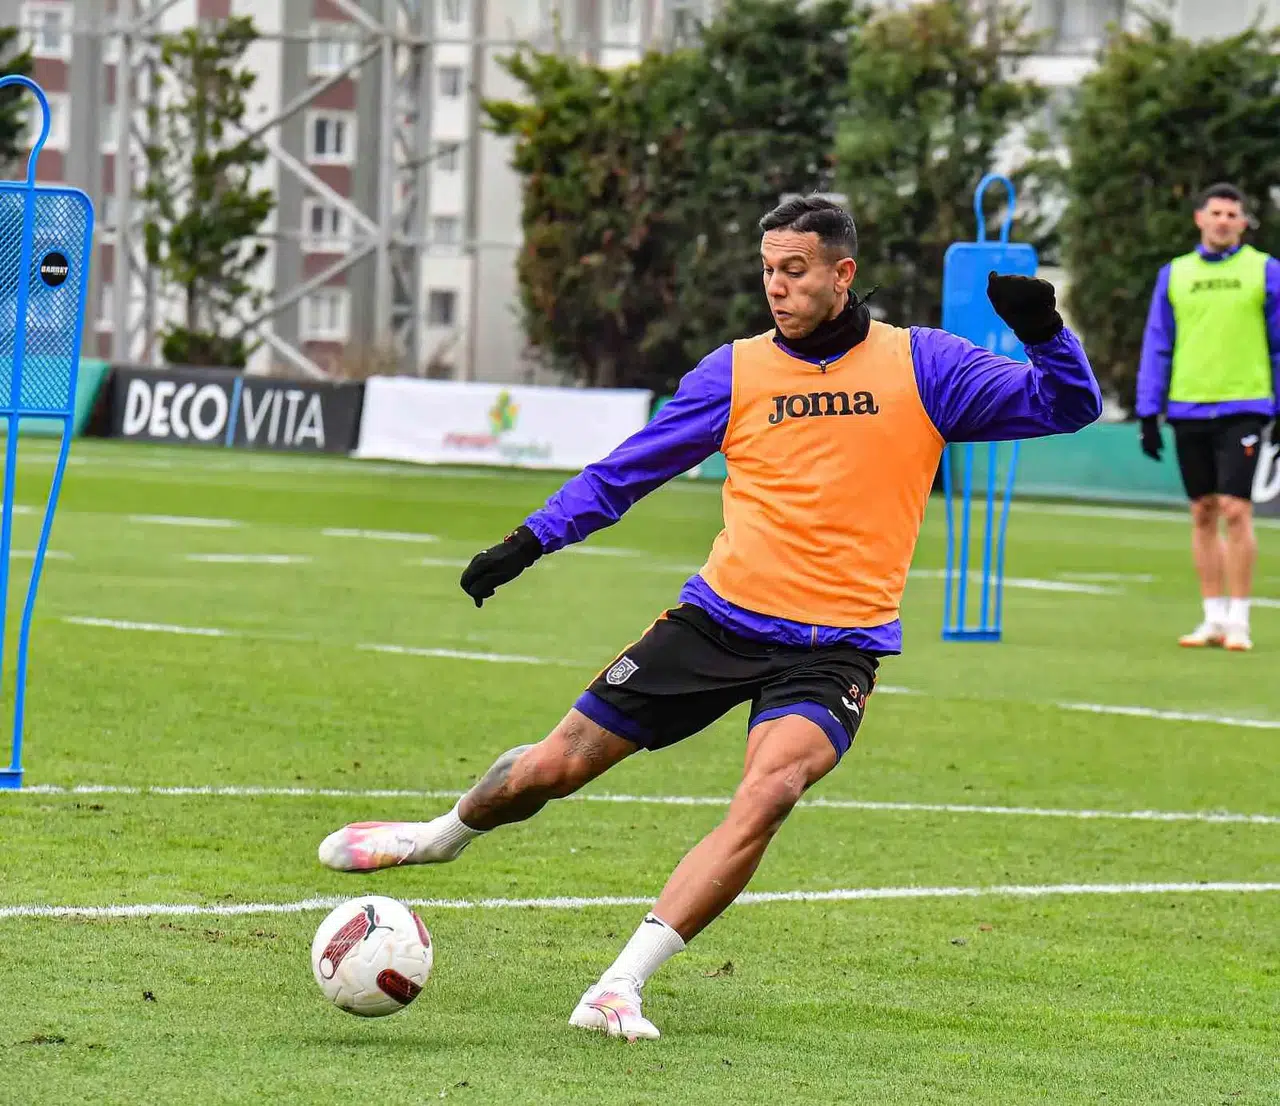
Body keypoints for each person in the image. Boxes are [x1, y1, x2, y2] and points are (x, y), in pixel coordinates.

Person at [317, 195, 1102, 1041]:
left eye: (794, 270)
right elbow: (626, 472)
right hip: (717, 622)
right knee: (554, 767)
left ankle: (618, 986)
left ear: (844, 274)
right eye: (767, 270)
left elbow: (1067, 405)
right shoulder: (735, 372)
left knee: (770, 793)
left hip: (835, 649)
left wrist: (1045, 334)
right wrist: (530, 540)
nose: (776, 286)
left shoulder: (925, 365)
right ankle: (442, 835)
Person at [1136, 182, 1280, 652]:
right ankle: (1212, 617)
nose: (1223, 221)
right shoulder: (1175, 274)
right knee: (1202, 511)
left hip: (1245, 406)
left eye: (1231, 214)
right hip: (1188, 406)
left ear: (1243, 223)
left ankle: (1240, 620)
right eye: (1215, 212)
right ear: (1199, 218)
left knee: (1236, 509)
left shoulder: (1265, 270)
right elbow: (1158, 342)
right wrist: (1148, 412)